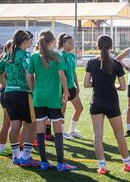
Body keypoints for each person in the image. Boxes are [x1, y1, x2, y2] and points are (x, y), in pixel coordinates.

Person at [84, 35, 130, 175]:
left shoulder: (91, 62)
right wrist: (114, 86)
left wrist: (97, 84)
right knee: (119, 134)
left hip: (96, 102)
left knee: (98, 136)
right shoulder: (116, 63)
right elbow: (123, 87)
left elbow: (86, 84)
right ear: (111, 47)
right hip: (112, 103)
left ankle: (101, 166)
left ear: (97, 46)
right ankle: (127, 164)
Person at [27, 30, 77, 171]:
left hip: (39, 97)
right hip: (53, 98)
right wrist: (66, 92)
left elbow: (29, 76)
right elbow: (62, 77)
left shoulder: (34, 56)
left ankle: (43, 162)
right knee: (58, 129)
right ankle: (61, 164)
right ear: (52, 42)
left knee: (40, 130)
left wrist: (33, 90)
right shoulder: (55, 56)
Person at [0, 29, 39, 166]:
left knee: (14, 124)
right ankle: (26, 157)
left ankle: (16, 156)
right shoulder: (25, 54)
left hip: (9, 93)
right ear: (24, 41)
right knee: (32, 124)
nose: (31, 41)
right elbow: (29, 74)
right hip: (23, 92)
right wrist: (33, 91)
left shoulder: (6, 54)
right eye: (29, 39)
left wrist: (7, 85)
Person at [57, 33, 83, 139]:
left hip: (71, 87)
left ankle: (71, 130)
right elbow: (61, 74)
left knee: (80, 108)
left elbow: (74, 72)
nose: (72, 44)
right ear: (63, 44)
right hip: (63, 87)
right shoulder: (60, 56)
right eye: (70, 43)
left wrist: (77, 85)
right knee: (62, 110)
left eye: (73, 42)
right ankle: (62, 132)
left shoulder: (72, 55)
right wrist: (65, 90)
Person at [0, 40, 12, 156]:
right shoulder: (6, 58)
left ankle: (2, 148)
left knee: (7, 123)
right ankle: (2, 148)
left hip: (6, 92)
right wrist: (6, 85)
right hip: (7, 93)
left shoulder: (5, 57)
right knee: (10, 122)